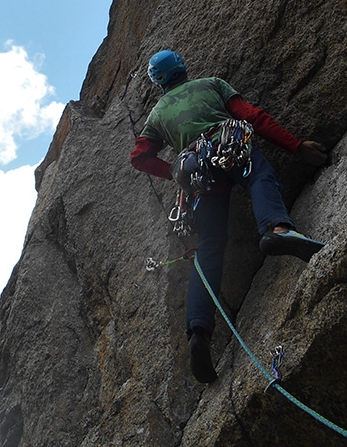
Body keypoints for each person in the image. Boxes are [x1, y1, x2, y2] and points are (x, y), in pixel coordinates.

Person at [130, 50, 329, 383]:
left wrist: (173, 172)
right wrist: (296, 147)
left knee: (209, 248)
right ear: (183, 66)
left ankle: (198, 333)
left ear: (157, 81)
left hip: (198, 174)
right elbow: (253, 116)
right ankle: (277, 229)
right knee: (258, 177)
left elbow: (139, 157)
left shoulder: (158, 115)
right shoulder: (211, 85)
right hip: (231, 147)